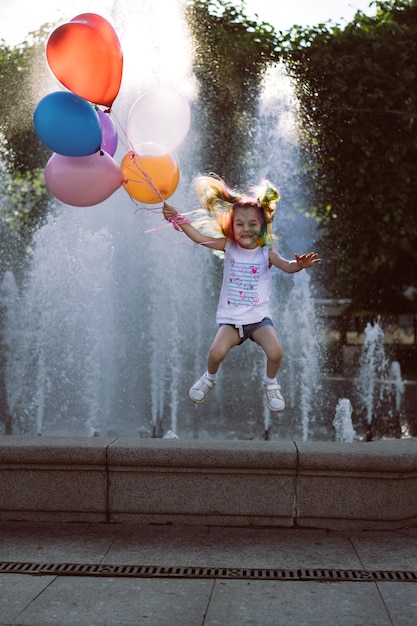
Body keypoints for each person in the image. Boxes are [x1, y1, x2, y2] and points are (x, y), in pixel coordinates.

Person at [162, 174, 320, 412]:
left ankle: (271, 383)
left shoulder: (266, 253)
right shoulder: (229, 246)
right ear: (231, 226)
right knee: (216, 353)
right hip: (231, 321)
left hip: (258, 320)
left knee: (276, 351)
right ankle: (209, 378)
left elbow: (288, 266)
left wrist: (300, 265)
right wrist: (178, 219)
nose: (246, 229)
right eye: (240, 224)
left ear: (263, 227)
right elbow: (199, 238)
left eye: (253, 224)